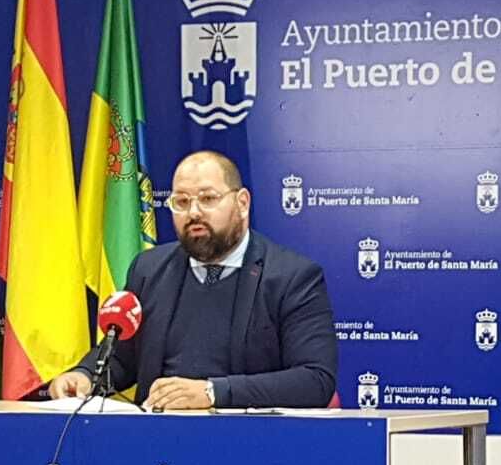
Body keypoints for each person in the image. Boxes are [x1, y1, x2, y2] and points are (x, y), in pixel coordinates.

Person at [49, 150, 338, 410]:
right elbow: (123, 357)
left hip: (249, 446)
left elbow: (315, 380)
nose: (194, 212)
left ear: (242, 203)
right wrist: (85, 375)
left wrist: (213, 392)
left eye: (208, 198)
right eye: (182, 202)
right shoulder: (149, 269)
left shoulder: (292, 277)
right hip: (154, 441)